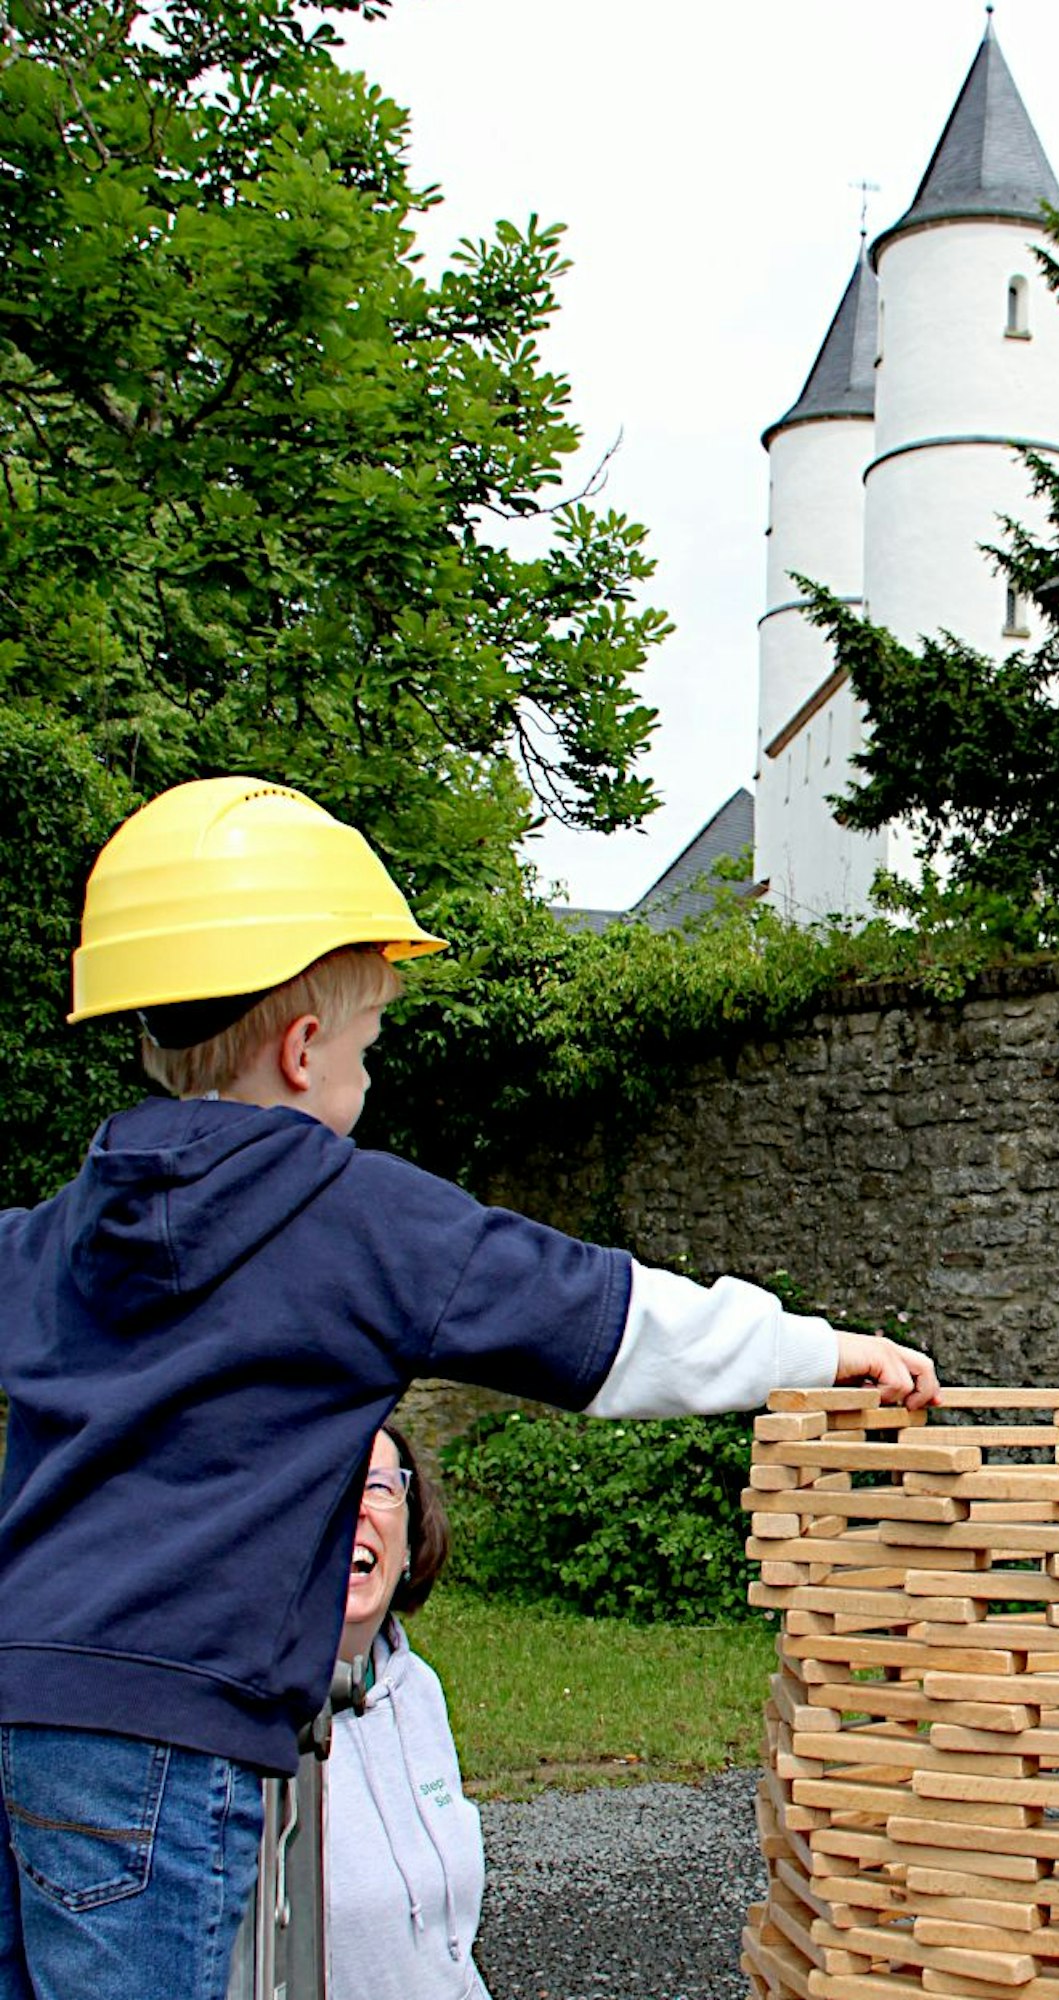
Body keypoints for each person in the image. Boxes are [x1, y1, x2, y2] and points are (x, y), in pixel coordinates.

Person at [0, 776, 939, 2000]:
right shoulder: (346, 1212)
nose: (369, 1081)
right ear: (301, 1050)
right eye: (368, 1048)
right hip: (172, 1734)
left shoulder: (71, 1221)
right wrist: (816, 1352)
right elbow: (602, 1318)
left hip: (24, 1696)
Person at [326, 1425, 487, 2000]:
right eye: (330, 1486)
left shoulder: (417, 1690)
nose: (355, 1510)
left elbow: (448, 1958)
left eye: (375, 1486)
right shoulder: (245, 1726)